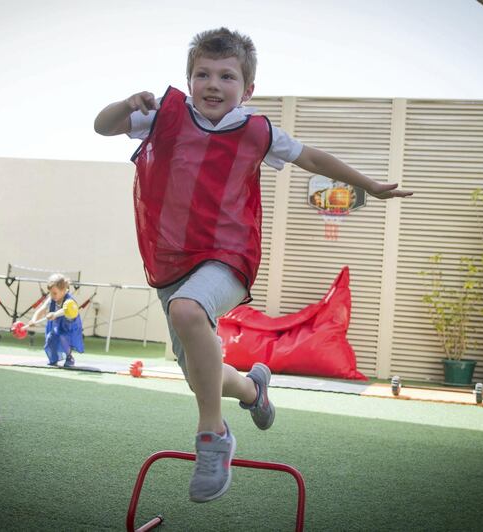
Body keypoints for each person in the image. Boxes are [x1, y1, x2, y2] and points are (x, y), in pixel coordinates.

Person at [94, 27, 412, 502]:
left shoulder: (257, 131)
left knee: (186, 312)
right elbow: (102, 126)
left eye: (227, 75)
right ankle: (252, 390)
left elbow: (315, 159)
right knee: (201, 374)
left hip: (228, 255)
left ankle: (213, 436)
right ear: (189, 78)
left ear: (247, 89)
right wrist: (126, 105)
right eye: (202, 73)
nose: (213, 84)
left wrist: (370, 184)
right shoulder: (164, 115)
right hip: (170, 259)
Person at [27, 273, 84, 368]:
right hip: (58, 324)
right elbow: (42, 309)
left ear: (63, 291)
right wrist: (33, 320)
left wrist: (55, 314)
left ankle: (69, 357)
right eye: (50, 293)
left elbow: (65, 310)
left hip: (69, 326)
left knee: (63, 337)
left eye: (54, 293)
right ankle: (54, 358)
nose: (52, 295)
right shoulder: (51, 299)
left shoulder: (69, 301)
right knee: (50, 338)